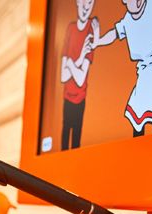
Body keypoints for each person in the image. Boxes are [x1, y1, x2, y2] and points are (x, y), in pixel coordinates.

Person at [93, 0, 152, 136]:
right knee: (137, 119)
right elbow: (114, 33)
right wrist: (98, 41)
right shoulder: (127, 20)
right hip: (144, 76)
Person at [60, 0, 98, 151]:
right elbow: (63, 76)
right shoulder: (71, 28)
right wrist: (80, 59)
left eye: (91, 2)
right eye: (84, 1)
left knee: (76, 144)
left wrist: (70, 62)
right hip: (67, 98)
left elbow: (80, 79)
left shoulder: (91, 31)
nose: (86, 7)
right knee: (64, 143)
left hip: (80, 100)